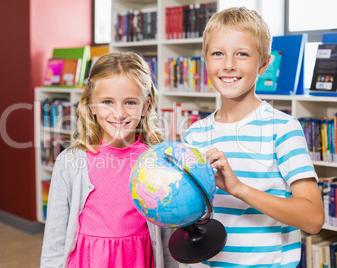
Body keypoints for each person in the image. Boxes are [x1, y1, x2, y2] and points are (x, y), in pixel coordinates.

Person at [183, 7, 325, 267]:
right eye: (217, 53)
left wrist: (239, 189)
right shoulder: (195, 135)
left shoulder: (282, 129)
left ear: (263, 63)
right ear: (205, 60)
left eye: (242, 54)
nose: (228, 64)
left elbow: (313, 219)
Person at [40, 52, 177, 268]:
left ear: (145, 106)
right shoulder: (70, 162)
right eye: (107, 102)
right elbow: (54, 240)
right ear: (91, 106)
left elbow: (166, 239)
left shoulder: (156, 162)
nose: (119, 113)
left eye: (130, 102)